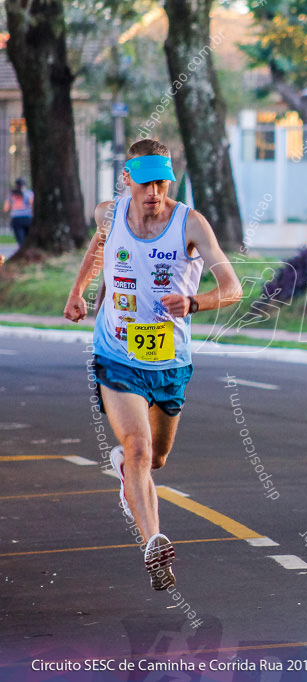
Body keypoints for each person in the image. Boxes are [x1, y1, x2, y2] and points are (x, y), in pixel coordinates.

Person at [64, 139, 242, 591]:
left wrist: (195, 302)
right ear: (128, 180)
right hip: (116, 353)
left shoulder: (191, 223)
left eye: (162, 182)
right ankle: (154, 546)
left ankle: (126, 472)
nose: (154, 192)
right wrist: (78, 291)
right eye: (145, 183)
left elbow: (233, 287)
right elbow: (99, 247)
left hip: (169, 360)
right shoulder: (109, 212)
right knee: (140, 448)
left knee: (156, 457)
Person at [4, 178, 34, 247]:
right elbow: (32, 205)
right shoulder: (29, 193)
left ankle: (24, 252)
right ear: (25, 185)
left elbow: (6, 208)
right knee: (28, 239)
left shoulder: (11, 194)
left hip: (16, 219)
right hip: (28, 218)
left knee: (21, 241)